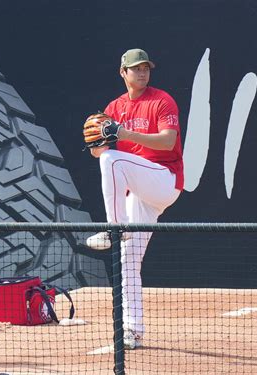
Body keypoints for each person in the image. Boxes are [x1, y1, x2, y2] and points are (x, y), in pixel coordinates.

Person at [86, 48, 184, 349]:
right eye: (136, 68)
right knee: (128, 262)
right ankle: (133, 330)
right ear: (123, 72)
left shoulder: (161, 99)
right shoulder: (115, 107)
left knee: (113, 161)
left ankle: (116, 228)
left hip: (164, 179)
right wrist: (96, 139)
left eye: (146, 68)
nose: (142, 73)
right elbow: (99, 152)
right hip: (139, 192)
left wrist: (124, 135)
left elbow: (168, 141)